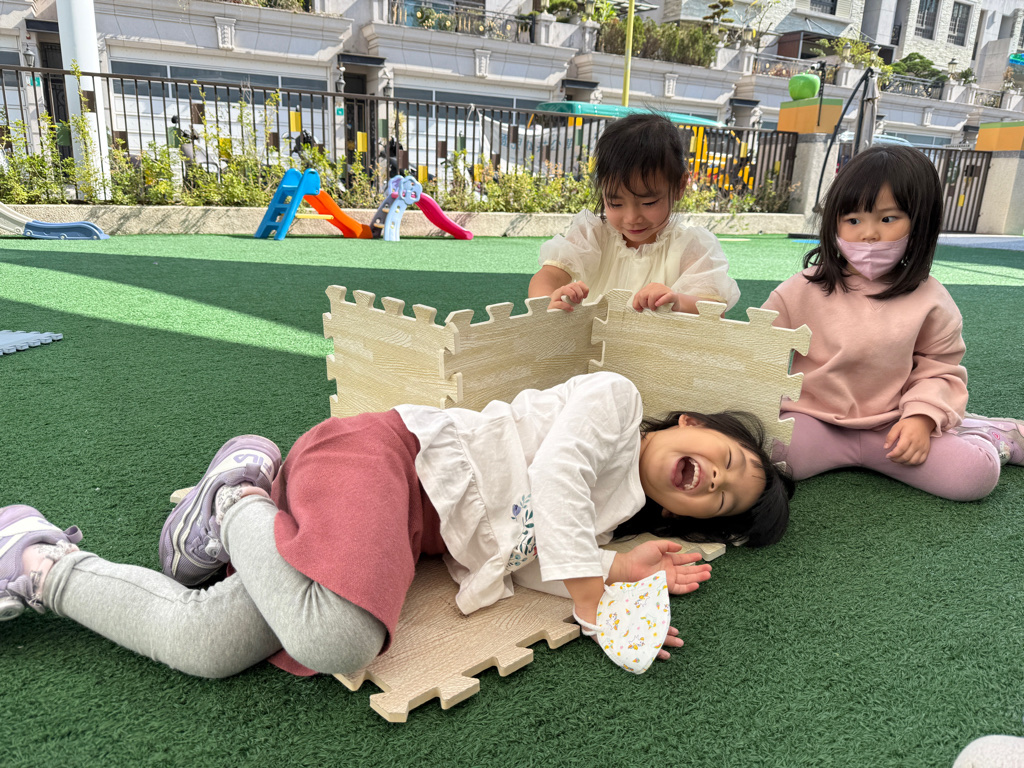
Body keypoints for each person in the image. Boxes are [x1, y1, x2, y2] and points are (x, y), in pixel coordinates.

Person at [0, 371, 792, 680]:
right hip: (385, 458)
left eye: (721, 499)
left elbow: (517, 559)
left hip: (396, 528)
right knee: (339, 639)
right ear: (689, 424)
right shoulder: (615, 404)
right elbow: (554, 480)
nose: (716, 478)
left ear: (684, 515)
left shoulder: (608, 520)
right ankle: (236, 498)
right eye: (725, 459)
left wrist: (615, 570)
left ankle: (36, 562)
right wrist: (592, 590)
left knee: (206, 646)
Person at [762, 145, 1023, 501]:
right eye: (853, 220)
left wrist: (922, 418)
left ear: (920, 223)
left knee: (973, 476)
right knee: (760, 451)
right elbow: (759, 350)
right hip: (815, 421)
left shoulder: (931, 299)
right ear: (834, 222)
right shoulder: (799, 290)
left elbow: (940, 370)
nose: (869, 234)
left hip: (896, 426)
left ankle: (994, 434)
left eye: (888, 219)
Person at [528, 113, 740, 315]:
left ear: (679, 186)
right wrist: (549, 301)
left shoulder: (690, 246)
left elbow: (713, 309)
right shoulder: (593, 234)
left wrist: (677, 301)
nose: (631, 218)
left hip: (655, 341)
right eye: (615, 203)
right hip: (597, 340)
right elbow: (549, 275)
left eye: (648, 202)